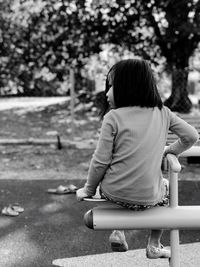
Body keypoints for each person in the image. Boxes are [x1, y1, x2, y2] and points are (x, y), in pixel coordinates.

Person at [76, 59, 199, 259]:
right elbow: (191, 136)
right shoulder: (163, 113)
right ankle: (154, 244)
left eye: (111, 86)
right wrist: (170, 151)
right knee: (166, 186)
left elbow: (100, 161)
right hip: (149, 196)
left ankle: (118, 230)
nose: (107, 93)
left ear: (127, 87)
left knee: (114, 178)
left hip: (114, 193)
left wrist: (88, 189)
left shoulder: (113, 117)